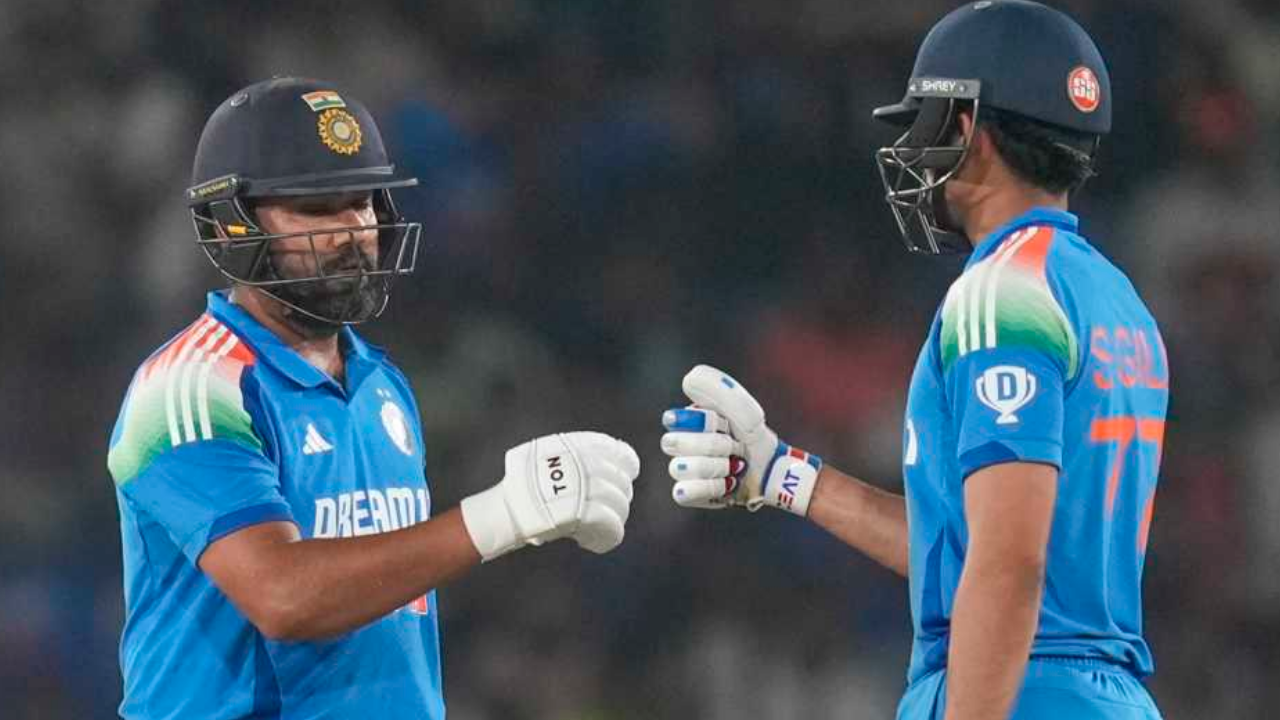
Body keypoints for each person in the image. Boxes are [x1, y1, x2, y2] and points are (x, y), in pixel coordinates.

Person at [659, 2, 1167, 718]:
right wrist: (783, 474)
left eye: (923, 124)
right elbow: (970, 550)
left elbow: (1009, 564)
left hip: (1020, 690)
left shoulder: (1001, 289)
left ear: (967, 129)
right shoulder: (1116, 299)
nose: (913, 151)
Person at [106, 76, 640, 720]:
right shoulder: (189, 389)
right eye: (315, 209)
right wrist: (505, 514)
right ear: (229, 225)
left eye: (361, 202)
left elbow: (390, 602)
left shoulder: (381, 382)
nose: (352, 230)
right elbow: (284, 596)